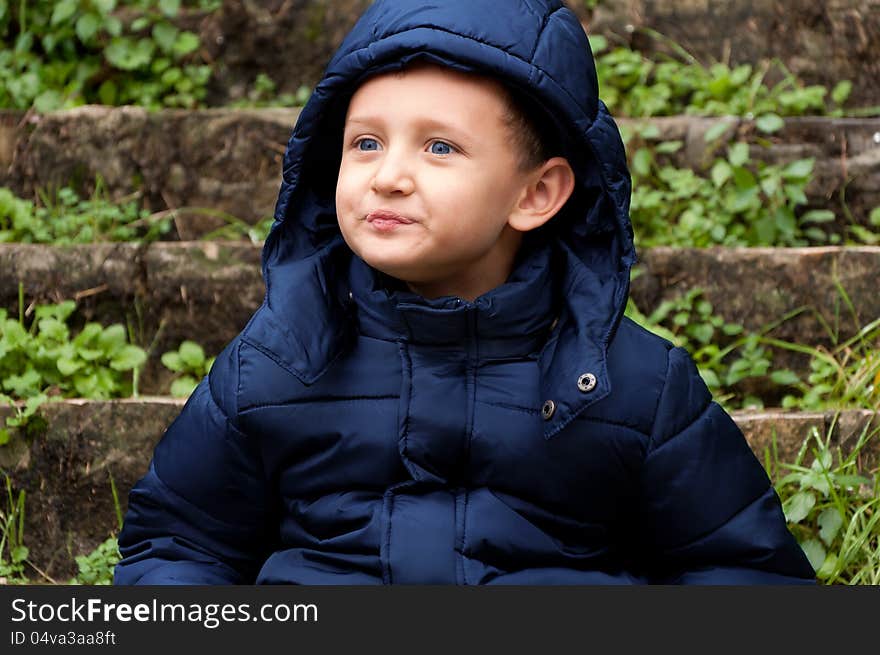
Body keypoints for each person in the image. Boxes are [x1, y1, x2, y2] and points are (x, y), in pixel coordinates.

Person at [114, 0, 816, 585]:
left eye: (438, 147)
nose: (387, 175)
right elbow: (181, 545)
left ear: (536, 193)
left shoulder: (633, 387)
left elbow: (741, 567)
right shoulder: (279, 360)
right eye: (364, 144)